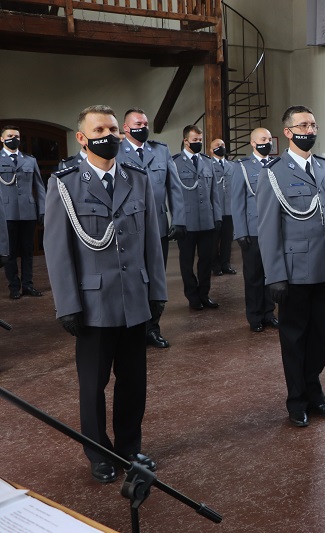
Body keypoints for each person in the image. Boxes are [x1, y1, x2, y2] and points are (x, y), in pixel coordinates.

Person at [43, 105, 166, 483]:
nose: (109, 135)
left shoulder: (137, 176)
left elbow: (151, 239)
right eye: (99, 129)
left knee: (133, 382)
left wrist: (156, 291)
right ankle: (98, 451)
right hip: (93, 302)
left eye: (113, 129)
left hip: (134, 299)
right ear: (81, 137)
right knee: (93, 384)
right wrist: (67, 305)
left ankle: (129, 447)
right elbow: (58, 248)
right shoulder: (64, 182)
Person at [256, 106, 325, 427]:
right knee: (294, 339)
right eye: (303, 125)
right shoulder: (273, 172)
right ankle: (297, 400)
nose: (309, 131)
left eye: (313, 125)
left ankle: (315, 393)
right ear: (287, 132)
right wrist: (275, 276)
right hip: (294, 273)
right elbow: (268, 229)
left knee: (320, 338)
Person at [119, 108, 186, 348]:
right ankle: (133, 328)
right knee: (133, 279)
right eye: (138, 123)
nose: (143, 127)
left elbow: (174, 187)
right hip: (127, 229)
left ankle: (152, 328)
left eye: (146, 123)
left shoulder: (160, 151)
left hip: (157, 226)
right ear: (126, 128)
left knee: (156, 279)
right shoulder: (115, 152)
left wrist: (178, 219)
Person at [231, 128, 279, 332]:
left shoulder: (277, 165)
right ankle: (255, 316)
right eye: (263, 139)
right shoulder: (242, 167)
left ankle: (269, 313)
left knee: (273, 274)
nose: (267, 143)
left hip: (274, 230)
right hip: (252, 230)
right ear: (252, 143)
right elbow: (237, 202)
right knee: (253, 276)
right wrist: (240, 232)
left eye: (269, 139)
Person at [173, 125, 222, 310]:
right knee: (186, 262)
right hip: (186, 222)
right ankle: (193, 297)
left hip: (207, 220)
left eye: (200, 140)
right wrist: (176, 221)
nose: (198, 143)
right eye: (195, 140)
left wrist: (217, 217)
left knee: (206, 260)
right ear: (186, 141)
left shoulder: (207, 162)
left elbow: (214, 193)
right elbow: (173, 195)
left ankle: (204, 294)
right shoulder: (175, 162)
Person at [0, 125, 46, 299]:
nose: (14, 138)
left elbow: (40, 187)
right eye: (10, 135)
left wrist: (43, 209)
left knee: (28, 252)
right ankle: (14, 287)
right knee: (10, 253)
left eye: (17, 136)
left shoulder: (29, 160)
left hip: (28, 212)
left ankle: (28, 285)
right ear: (2, 139)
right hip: (6, 213)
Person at [210, 138, 236, 277]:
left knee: (227, 239)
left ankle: (226, 264)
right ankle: (215, 265)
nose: (221, 147)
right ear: (211, 149)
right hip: (216, 209)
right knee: (214, 240)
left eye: (223, 144)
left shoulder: (231, 166)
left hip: (229, 209)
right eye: (217, 145)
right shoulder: (208, 165)